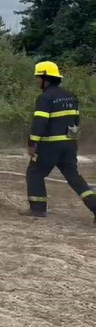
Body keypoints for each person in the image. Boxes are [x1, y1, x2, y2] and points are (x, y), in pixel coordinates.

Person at [24, 61, 96, 223]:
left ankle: (37, 209)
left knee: (35, 172)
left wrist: (32, 143)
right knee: (73, 177)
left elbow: (40, 122)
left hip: (49, 145)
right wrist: (71, 142)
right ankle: (95, 206)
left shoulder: (45, 97)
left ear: (45, 79)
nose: (37, 81)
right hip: (69, 145)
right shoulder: (71, 96)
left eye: (38, 77)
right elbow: (76, 120)